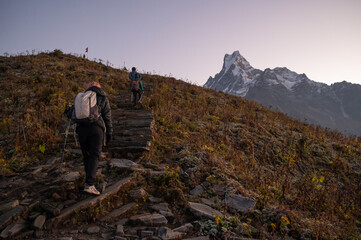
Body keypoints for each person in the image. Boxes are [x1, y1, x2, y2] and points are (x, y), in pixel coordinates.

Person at [77, 81, 112, 195]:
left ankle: (88, 181)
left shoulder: (81, 97)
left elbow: (73, 114)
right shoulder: (102, 97)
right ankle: (89, 184)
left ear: (88, 86)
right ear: (99, 87)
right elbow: (107, 116)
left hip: (81, 129)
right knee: (95, 155)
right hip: (96, 128)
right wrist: (109, 133)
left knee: (86, 156)